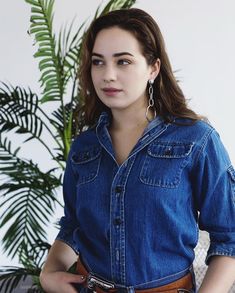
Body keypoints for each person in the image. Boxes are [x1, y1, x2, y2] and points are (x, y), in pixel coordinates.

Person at [39, 8, 235, 293]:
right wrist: (50, 271)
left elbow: (229, 237)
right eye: (98, 62)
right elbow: (73, 227)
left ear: (153, 68)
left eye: (123, 62)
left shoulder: (197, 141)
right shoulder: (84, 148)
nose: (108, 75)